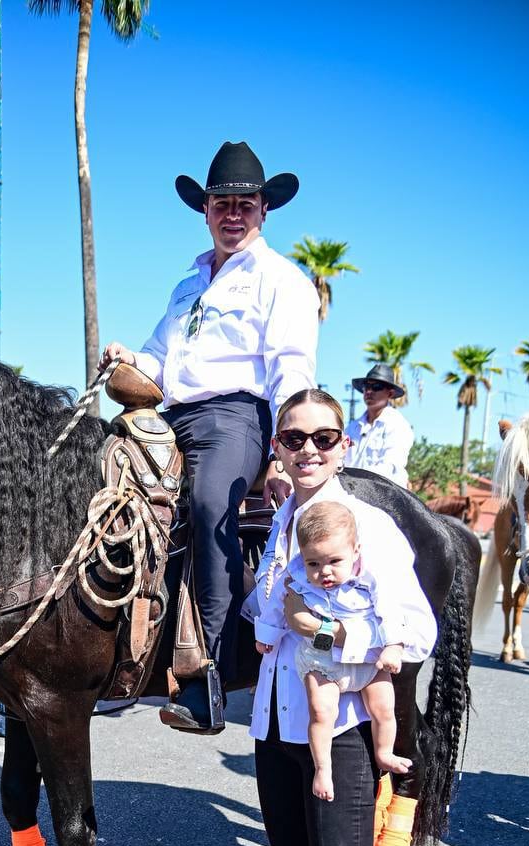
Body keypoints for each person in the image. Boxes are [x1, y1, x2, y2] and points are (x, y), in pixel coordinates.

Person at [248, 387, 444, 846]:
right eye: (292, 438)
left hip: (344, 732)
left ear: (343, 445)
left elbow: (414, 631)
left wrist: (325, 638)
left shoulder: (367, 525)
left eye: (322, 438)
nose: (306, 450)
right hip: (274, 724)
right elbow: (273, 618)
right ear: (277, 446)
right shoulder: (282, 522)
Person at [99, 141, 318, 732]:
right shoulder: (185, 287)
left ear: (263, 210)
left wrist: (288, 449)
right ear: (206, 210)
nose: (233, 214)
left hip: (237, 418)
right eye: (222, 203)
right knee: (108, 495)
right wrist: (129, 358)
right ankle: (124, 661)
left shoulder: (283, 280)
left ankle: (209, 681)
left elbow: (290, 369)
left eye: (245, 204)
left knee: (207, 506)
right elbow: (158, 361)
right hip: (172, 417)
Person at [256, 500, 412, 801]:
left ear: (355, 552)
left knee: (384, 708)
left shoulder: (369, 578)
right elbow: (277, 603)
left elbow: (391, 612)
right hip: (321, 660)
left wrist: (393, 646)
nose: (324, 572)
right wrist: (268, 635)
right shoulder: (297, 575)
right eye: (314, 563)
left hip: (369, 662)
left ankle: (384, 753)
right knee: (320, 712)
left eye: (334, 562)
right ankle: (323, 768)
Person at [345, 362, 413, 487]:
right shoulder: (352, 427)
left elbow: (391, 466)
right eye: (366, 387)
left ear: (390, 394)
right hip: (352, 491)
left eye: (376, 387)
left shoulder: (398, 425)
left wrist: (356, 482)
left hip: (386, 494)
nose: (369, 391)